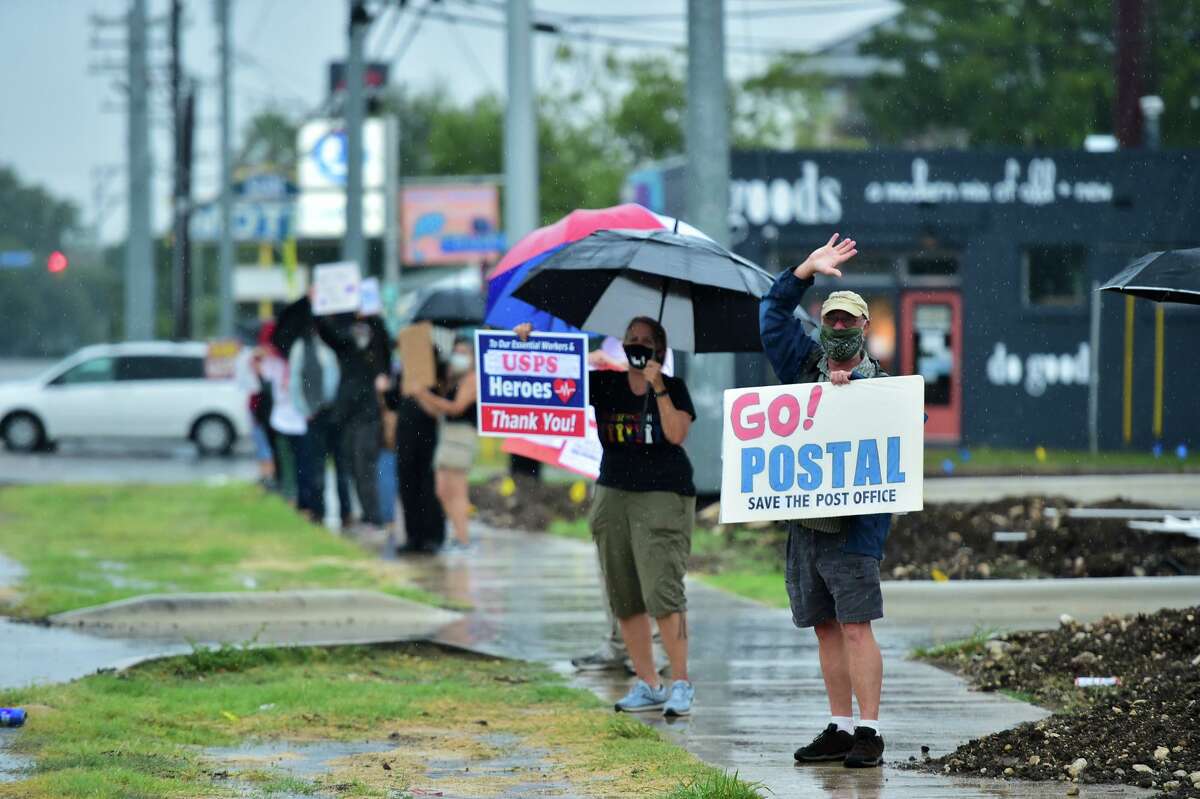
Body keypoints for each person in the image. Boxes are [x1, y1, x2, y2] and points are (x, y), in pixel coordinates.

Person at [516, 318, 697, 718]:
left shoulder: (675, 388)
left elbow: (676, 434)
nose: (637, 345)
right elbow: (551, 380)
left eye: (647, 341)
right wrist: (530, 344)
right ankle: (648, 684)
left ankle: (681, 682)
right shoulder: (606, 384)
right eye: (631, 338)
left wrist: (658, 385)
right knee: (624, 594)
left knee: (663, 592)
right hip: (614, 491)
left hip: (663, 494)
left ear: (661, 350)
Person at [759, 232, 890, 769]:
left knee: (857, 625)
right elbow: (770, 314)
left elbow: (904, 440)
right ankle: (839, 726)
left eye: (848, 321)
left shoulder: (886, 387)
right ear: (821, 323)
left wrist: (855, 394)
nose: (838, 327)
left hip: (855, 530)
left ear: (864, 328)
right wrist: (805, 271)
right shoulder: (801, 365)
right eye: (831, 319)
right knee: (824, 625)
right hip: (808, 524)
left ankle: (870, 731)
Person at [316, 308, 392, 532]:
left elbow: (381, 336)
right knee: (353, 465)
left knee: (364, 463)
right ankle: (368, 514)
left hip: (369, 416)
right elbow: (328, 332)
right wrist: (321, 306)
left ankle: (374, 516)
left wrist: (371, 315)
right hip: (347, 414)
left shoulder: (377, 354)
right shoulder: (346, 349)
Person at [412, 337, 479, 553]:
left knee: (457, 490)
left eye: (464, 352)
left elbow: (456, 408)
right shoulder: (453, 379)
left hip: (462, 436)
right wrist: (420, 395)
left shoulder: (473, 379)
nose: (459, 356)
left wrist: (426, 395)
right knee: (442, 490)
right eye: (456, 351)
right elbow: (439, 410)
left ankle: (464, 539)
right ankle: (457, 535)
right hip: (448, 435)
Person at [289, 325, 346, 524]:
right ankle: (318, 510)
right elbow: (295, 381)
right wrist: (305, 410)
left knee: (340, 465)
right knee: (317, 465)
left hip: (334, 412)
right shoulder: (301, 348)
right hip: (315, 414)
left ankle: (343, 512)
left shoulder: (335, 346)